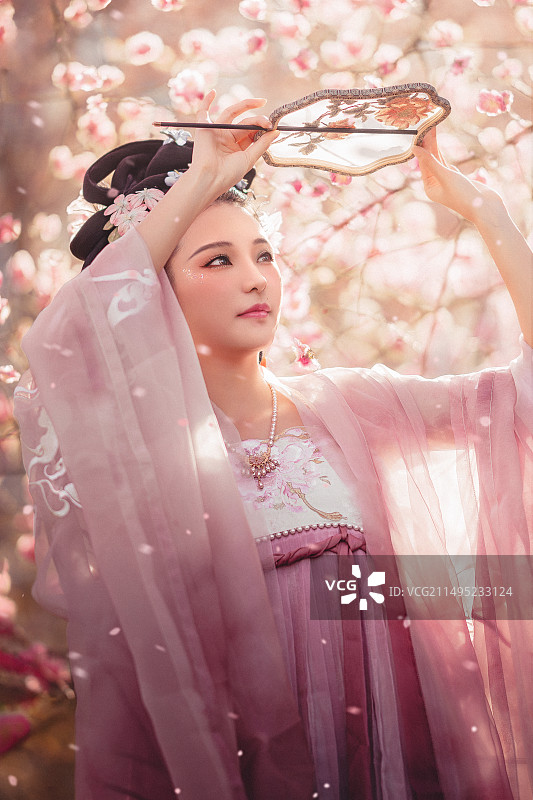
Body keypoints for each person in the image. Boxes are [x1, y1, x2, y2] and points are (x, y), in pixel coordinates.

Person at [13, 90, 532, 800]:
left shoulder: (352, 407)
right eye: (216, 261)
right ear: (152, 292)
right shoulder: (138, 453)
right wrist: (199, 177)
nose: (256, 276)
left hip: (390, 759)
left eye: (263, 254)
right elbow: (69, 340)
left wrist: (490, 217)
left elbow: (521, 398)